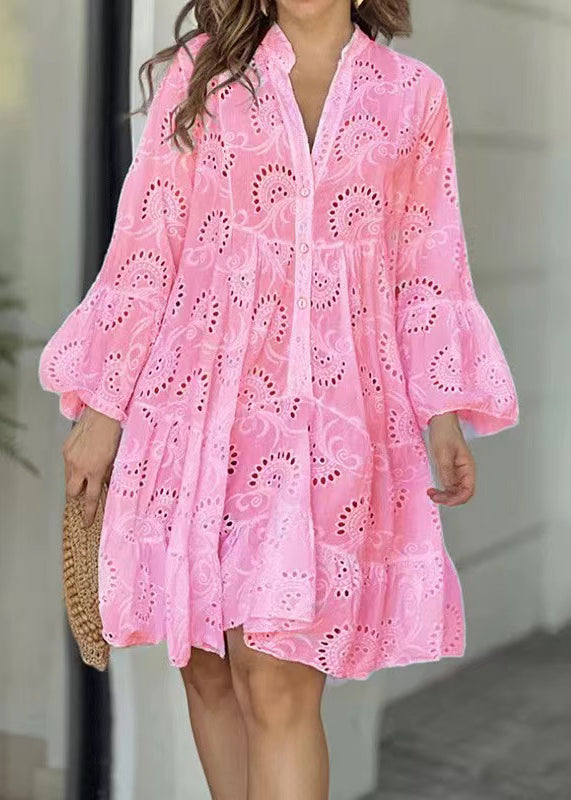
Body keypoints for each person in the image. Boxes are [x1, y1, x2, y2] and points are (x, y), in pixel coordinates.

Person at [38, 1, 520, 797]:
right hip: (192, 411)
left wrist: (441, 415)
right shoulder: (204, 73)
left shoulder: (412, 94)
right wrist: (102, 406)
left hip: (333, 430)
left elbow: (426, 266)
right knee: (207, 669)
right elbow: (148, 243)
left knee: (279, 679)